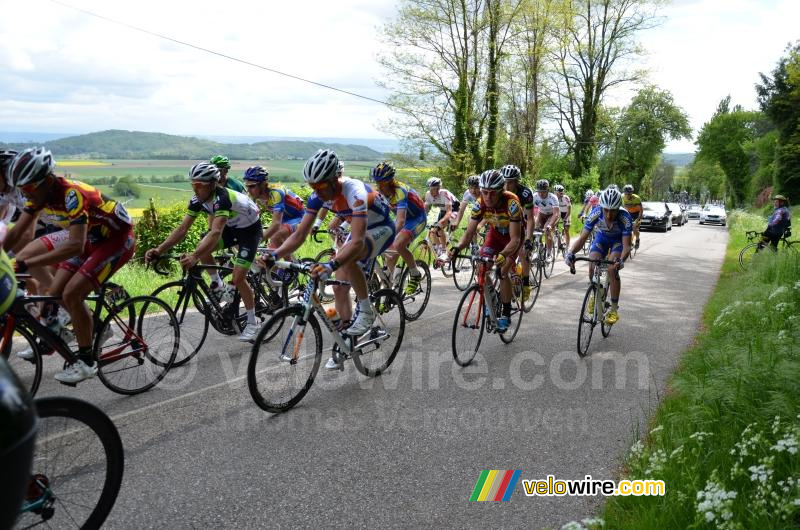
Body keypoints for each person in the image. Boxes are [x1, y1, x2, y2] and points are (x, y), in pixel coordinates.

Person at [5, 147, 136, 384]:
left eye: (29, 188)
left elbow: (75, 246)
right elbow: (17, 235)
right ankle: (90, 328)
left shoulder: (71, 194)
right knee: (54, 293)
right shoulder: (39, 195)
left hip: (116, 239)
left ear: (46, 180)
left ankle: (86, 362)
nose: (26, 194)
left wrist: (26, 262)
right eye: (22, 189)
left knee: (72, 293)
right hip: (92, 239)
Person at [262, 149, 395, 370]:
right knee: (340, 289)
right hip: (359, 230)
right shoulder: (318, 196)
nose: (317, 192)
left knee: (348, 258)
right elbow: (299, 234)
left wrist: (330, 264)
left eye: (322, 186)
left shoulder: (355, 191)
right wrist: (273, 255)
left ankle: (366, 309)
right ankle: (346, 342)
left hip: (381, 228)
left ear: (335, 179)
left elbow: (358, 241)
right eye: (313, 187)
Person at [145, 162, 263, 342]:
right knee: (203, 246)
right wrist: (159, 249)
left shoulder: (222, 198)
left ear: (212, 184)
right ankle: (218, 284)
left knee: (238, 278)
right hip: (233, 227)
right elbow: (183, 228)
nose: (195, 189)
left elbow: (216, 232)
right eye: (193, 185)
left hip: (250, 231)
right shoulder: (197, 200)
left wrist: (194, 256)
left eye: (199, 185)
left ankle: (253, 322)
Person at [448, 169, 521, 332]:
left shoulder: (512, 203)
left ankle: (506, 314)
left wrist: (503, 254)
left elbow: (516, 239)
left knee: (503, 272)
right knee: (481, 267)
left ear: (501, 191)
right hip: (495, 234)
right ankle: (493, 298)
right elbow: (468, 234)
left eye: (492, 193)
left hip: (512, 237)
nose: (488, 197)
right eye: (484, 192)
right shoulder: (479, 204)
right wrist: (457, 248)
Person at [565, 187, 632, 325]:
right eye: (606, 209)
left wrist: (621, 260)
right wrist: (571, 253)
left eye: (612, 210)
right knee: (592, 264)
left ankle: (613, 309)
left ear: (618, 208)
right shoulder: (596, 212)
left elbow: (626, 246)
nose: (608, 214)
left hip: (617, 242)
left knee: (612, 269)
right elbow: (583, 238)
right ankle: (596, 295)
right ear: (601, 207)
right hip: (601, 239)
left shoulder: (625, 217)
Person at [370, 162, 425, 292]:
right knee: (391, 253)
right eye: (377, 182)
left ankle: (415, 274)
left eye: (382, 183)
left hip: (417, 219)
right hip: (402, 218)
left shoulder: (400, 191)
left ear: (390, 181)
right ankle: (388, 288)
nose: (379, 186)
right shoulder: (378, 192)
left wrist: (386, 237)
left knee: (399, 244)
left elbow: (400, 221)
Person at [241, 165, 304, 250]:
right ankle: (288, 261)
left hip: (298, 218)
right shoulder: (253, 195)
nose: (248, 190)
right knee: (275, 246)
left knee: (275, 236)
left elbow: (276, 224)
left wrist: (257, 241)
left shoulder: (276, 193)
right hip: (283, 220)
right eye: (247, 186)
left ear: (263, 184)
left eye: (252, 186)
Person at [500, 165, 535, 302]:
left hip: (521, 223)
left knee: (523, 252)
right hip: (505, 224)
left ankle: (526, 284)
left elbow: (530, 218)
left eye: (511, 181)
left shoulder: (525, 193)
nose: (507, 185)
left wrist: (528, 239)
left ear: (517, 181)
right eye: (505, 181)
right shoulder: (499, 192)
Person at [423, 177, 459, 261]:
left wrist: (440, 224)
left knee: (439, 227)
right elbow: (425, 210)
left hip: (454, 210)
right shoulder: (428, 194)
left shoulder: (444, 194)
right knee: (432, 231)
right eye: (431, 189)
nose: (432, 192)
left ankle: (443, 251)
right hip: (443, 211)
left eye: (435, 189)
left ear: (439, 188)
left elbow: (449, 212)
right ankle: (439, 248)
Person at [532, 179, 561, 253]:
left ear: (547, 190)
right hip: (541, 213)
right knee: (535, 228)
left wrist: (550, 225)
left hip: (552, 215)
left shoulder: (553, 197)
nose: (541, 194)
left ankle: (549, 252)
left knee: (547, 229)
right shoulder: (534, 196)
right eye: (539, 192)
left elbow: (556, 214)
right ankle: (540, 247)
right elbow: (530, 211)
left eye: (543, 192)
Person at [621, 184, 643, 249]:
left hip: (637, 214)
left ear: (632, 193)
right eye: (626, 194)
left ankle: (637, 239)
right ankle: (628, 241)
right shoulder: (621, 197)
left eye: (629, 194)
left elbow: (641, 210)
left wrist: (639, 218)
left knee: (634, 228)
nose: (627, 195)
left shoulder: (636, 198)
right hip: (628, 213)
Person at [554, 184, 572, 249]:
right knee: (555, 228)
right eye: (559, 192)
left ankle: (568, 245)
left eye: (562, 192)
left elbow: (569, 210)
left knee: (566, 229)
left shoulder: (566, 198)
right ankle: (559, 244)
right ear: (555, 192)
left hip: (567, 213)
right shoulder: (554, 198)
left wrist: (565, 218)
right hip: (559, 212)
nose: (561, 194)